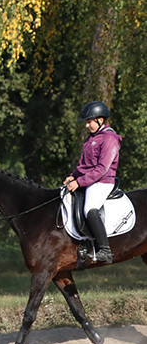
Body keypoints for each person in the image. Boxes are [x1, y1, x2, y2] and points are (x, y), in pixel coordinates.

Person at [63, 101, 122, 264]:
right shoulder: (91, 139)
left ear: (100, 120)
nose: (87, 125)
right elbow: (83, 165)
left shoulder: (110, 139)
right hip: (87, 181)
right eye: (87, 122)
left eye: (90, 121)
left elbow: (102, 168)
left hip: (102, 181)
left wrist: (79, 182)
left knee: (90, 208)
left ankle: (104, 250)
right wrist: (73, 176)